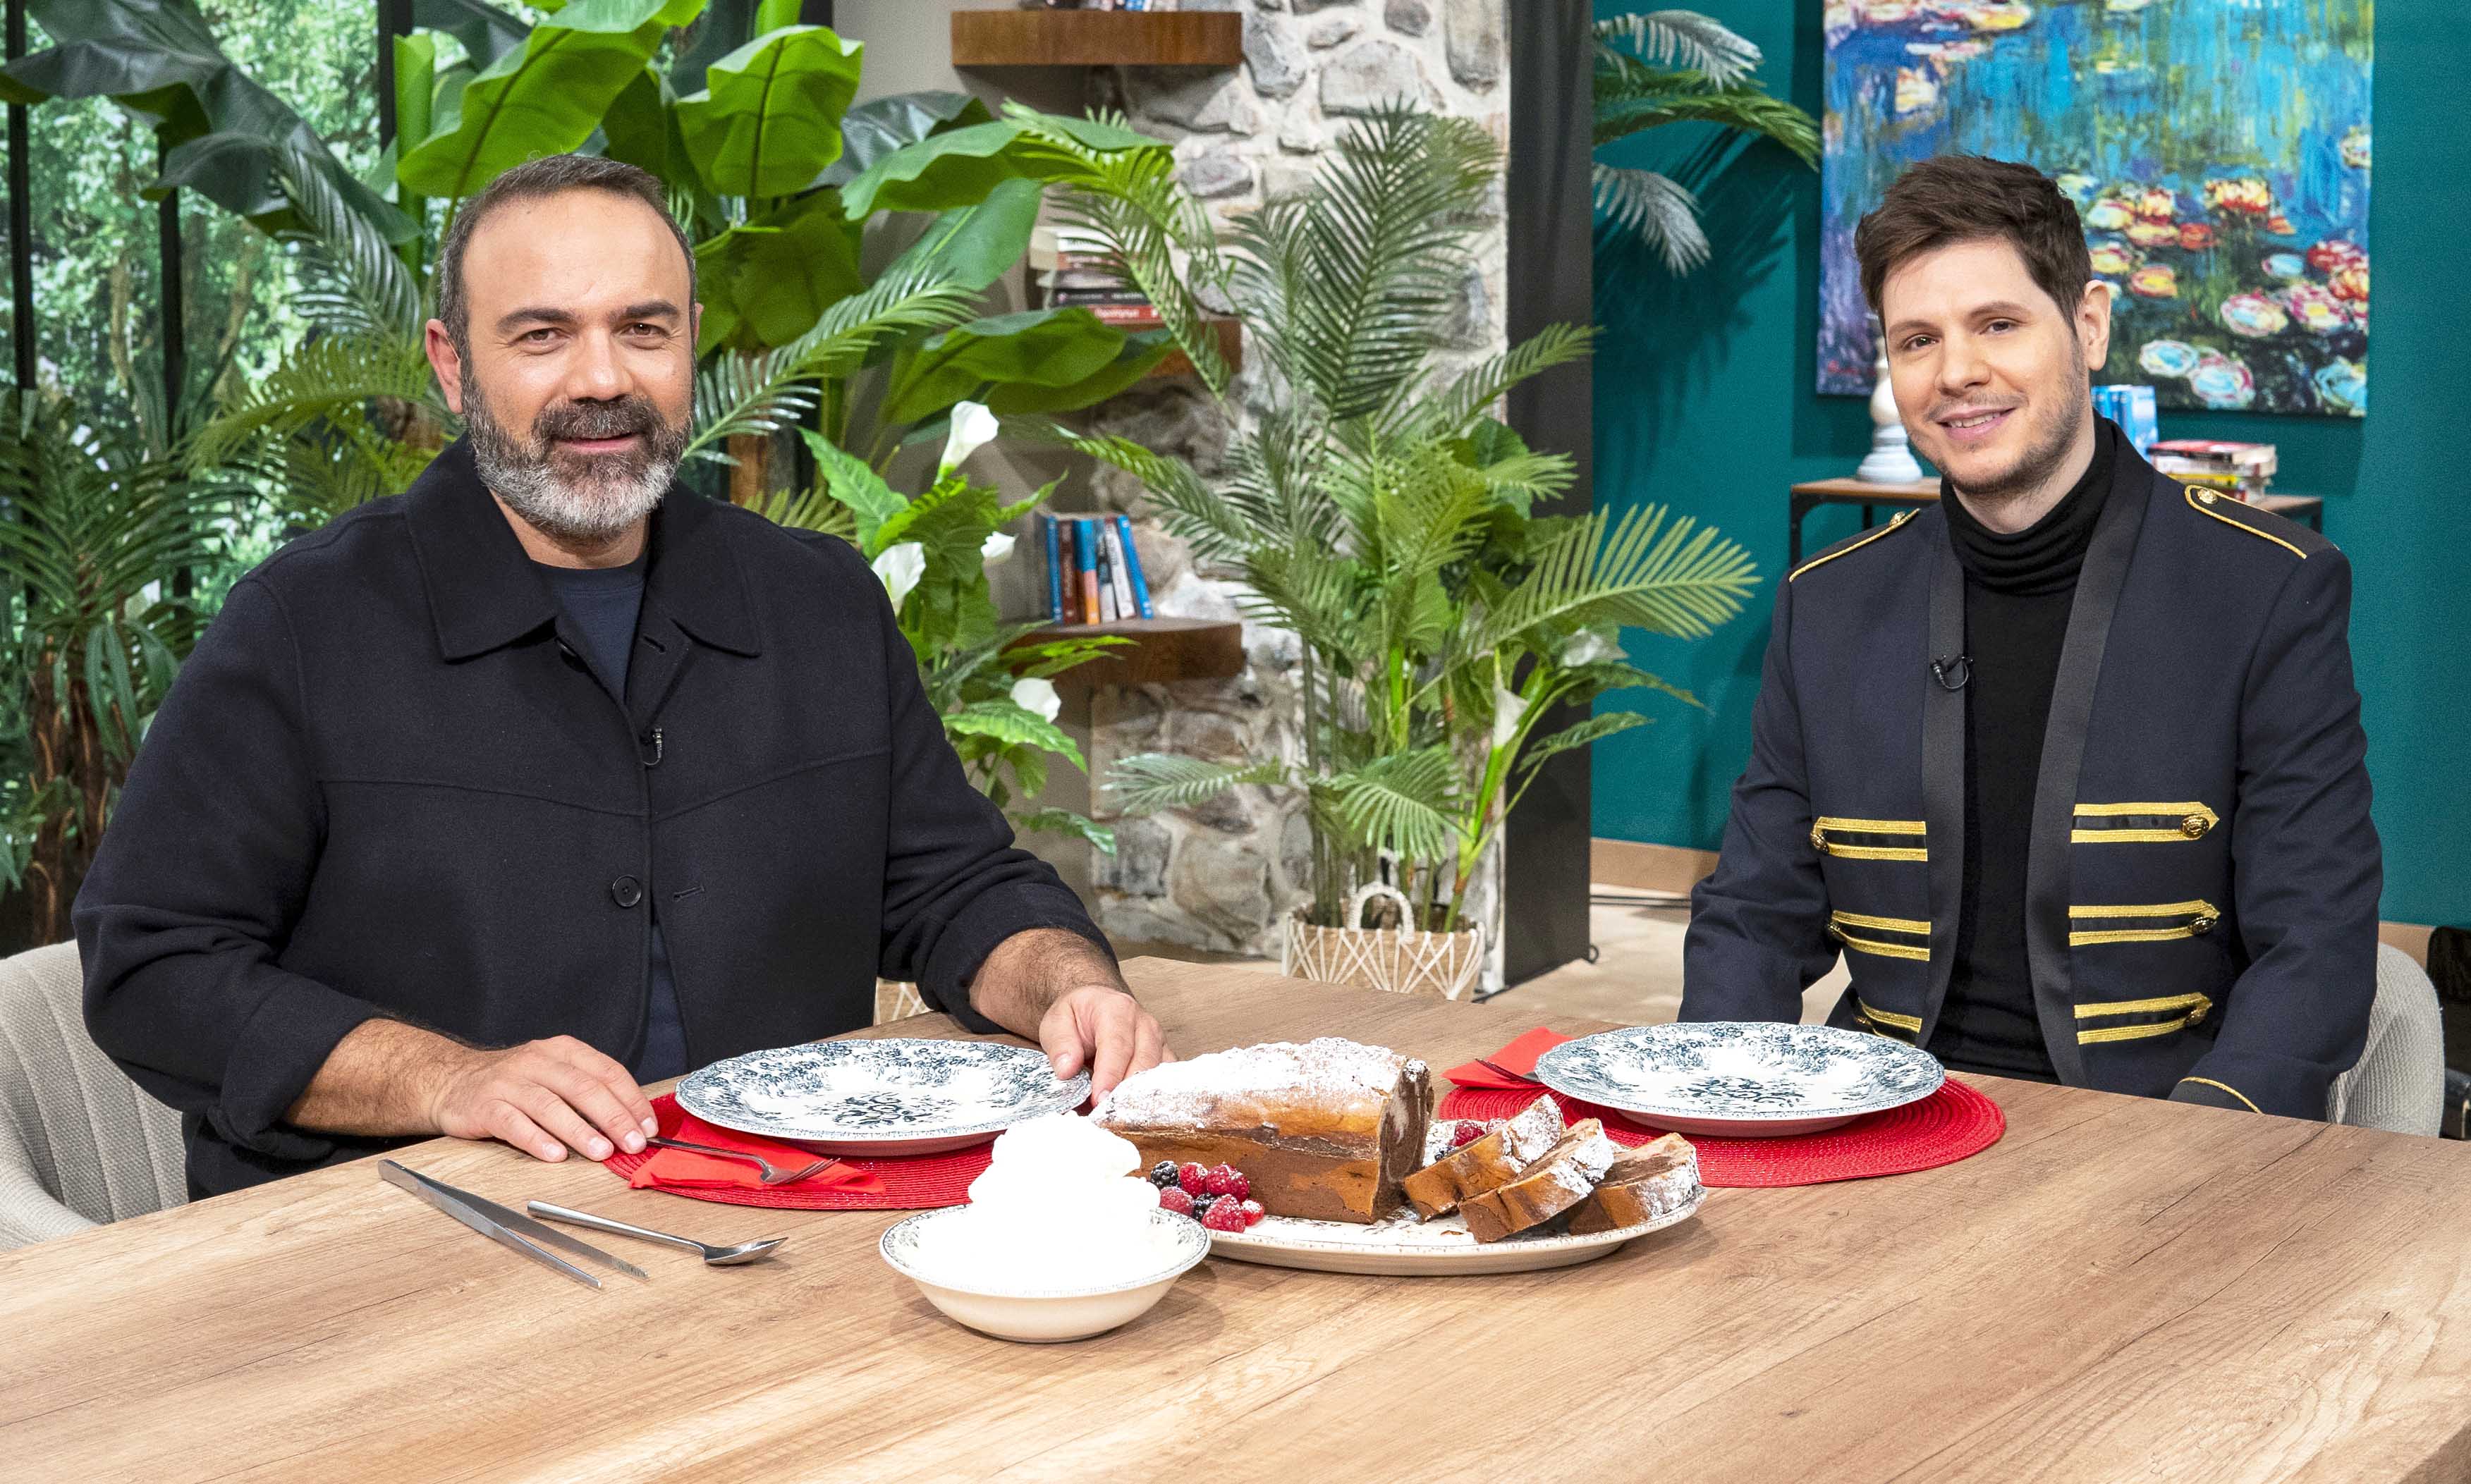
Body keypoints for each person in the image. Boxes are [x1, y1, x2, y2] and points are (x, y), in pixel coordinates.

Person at [75, 154, 1169, 1198]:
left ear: (691, 341)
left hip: (783, 1209)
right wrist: (447, 1078)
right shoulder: (302, 625)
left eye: (643, 330)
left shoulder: (820, 602)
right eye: (542, 335)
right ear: (453, 363)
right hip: (407, 1233)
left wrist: (1070, 984)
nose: (601, 379)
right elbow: (152, 965)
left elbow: (956, 886)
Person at [1678, 154, 2379, 1118]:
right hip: (1886, 1126)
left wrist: (2193, 1162)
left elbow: (2317, 947)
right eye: (1917, 340)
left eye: (1998, 324)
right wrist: (1717, 1112)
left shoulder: (2268, 589)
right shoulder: (1828, 604)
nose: (1957, 372)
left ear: (2088, 324)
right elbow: (1755, 917)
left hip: (2158, 1133)